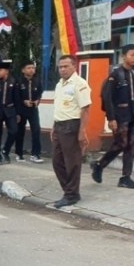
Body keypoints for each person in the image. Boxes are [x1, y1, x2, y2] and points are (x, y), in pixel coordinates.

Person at [92, 44, 134, 189]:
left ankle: (125, 177)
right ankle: (99, 165)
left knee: (130, 146)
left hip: (131, 116)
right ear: (124, 56)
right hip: (119, 116)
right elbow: (106, 97)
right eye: (132, 55)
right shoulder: (115, 75)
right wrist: (111, 118)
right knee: (121, 144)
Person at [51, 55, 92, 208]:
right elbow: (59, 107)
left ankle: (71, 194)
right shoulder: (59, 84)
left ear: (74, 66)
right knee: (57, 162)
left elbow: (85, 109)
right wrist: (54, 127)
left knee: (72, 162)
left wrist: (82, 132)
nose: (62, 69)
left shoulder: (79, 84)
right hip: (59, 125)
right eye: (60, 67)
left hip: (72, 126)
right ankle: (69, 190)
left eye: (66, 66)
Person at [15, 61, 45, 163]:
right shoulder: (18, 81)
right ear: (23, 70)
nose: (31, 70)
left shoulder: (37, 81)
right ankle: (19, 154)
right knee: (20, 132)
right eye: (29, 68)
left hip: (33, 109)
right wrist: (23, 101)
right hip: (21, 110)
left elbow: (39, 93)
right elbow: (15, 96)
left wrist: (37, 100)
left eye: (33, 68)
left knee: (36, 130)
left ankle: (35, 154)